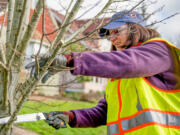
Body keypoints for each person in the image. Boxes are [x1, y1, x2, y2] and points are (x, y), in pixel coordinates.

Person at [26, 10, 180, 135]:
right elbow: (104, 112)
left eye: (116, 31)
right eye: (109, 34)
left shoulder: (160, 50)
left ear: (135, 29)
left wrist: (69, 61)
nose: (112, 38)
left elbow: (128, 63)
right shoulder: (118, 76)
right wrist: (71, 116)